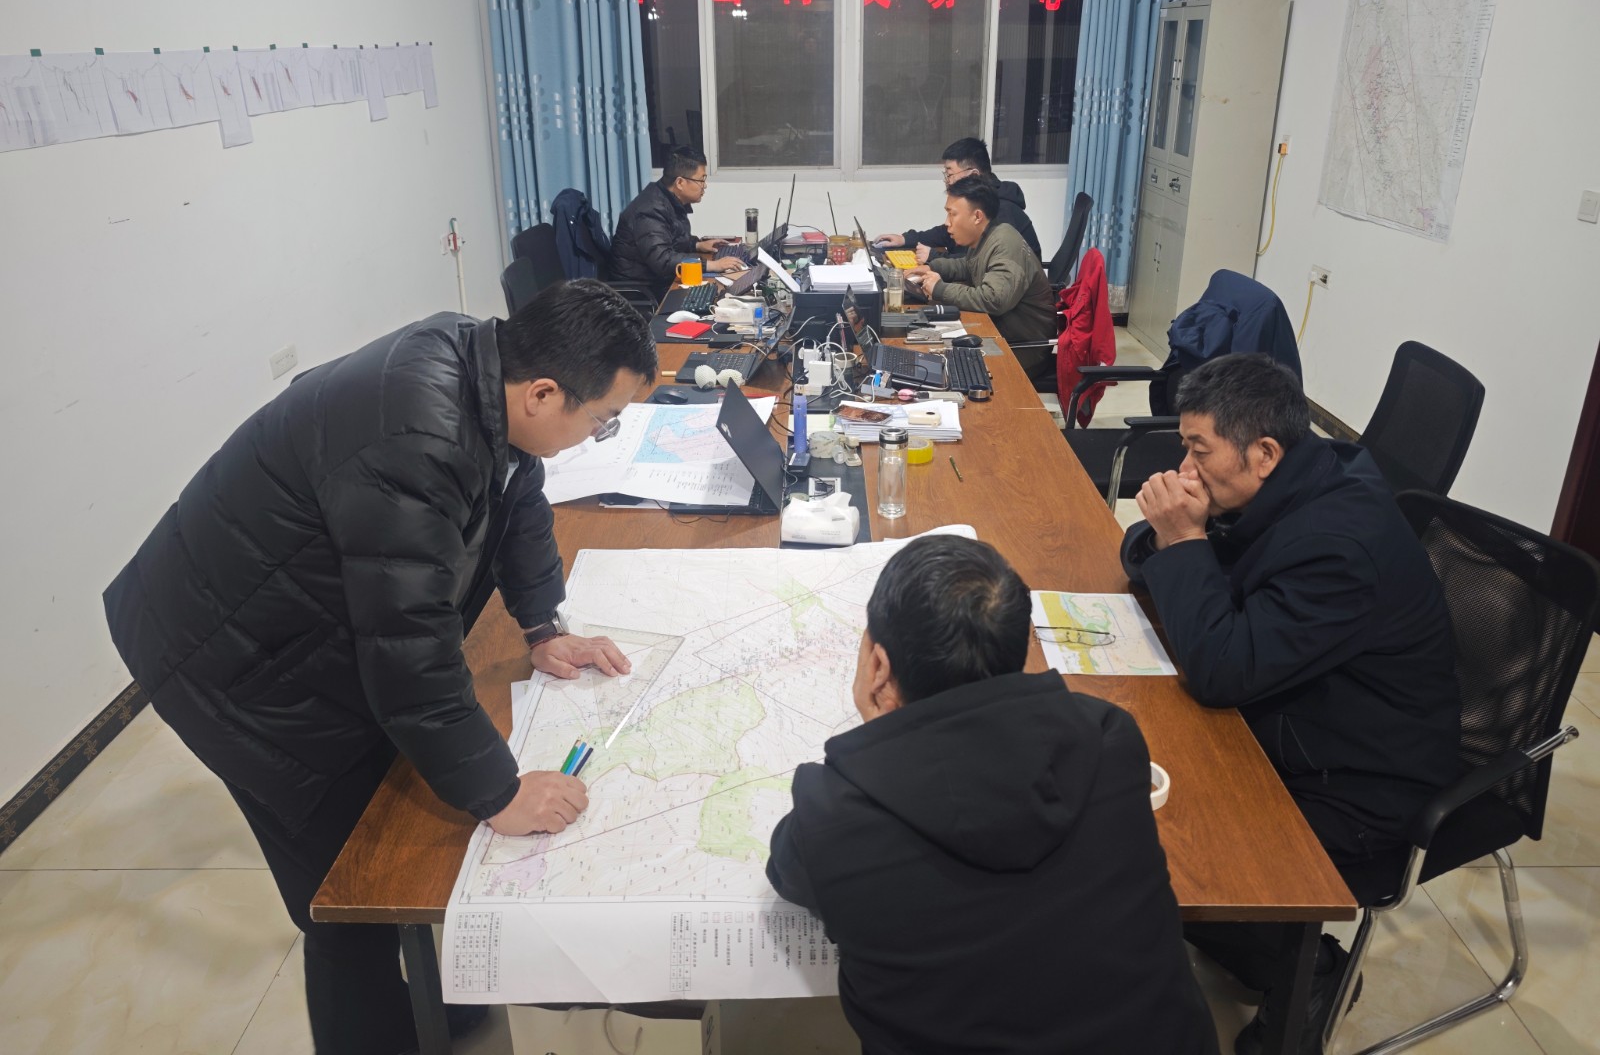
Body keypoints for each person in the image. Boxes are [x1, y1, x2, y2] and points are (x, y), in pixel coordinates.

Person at [103, 281, 657, 1055]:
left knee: (388, 831)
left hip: (297, 613)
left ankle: (425, 1007)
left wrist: (540, 627)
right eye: (601, 420)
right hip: (224, 656)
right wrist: (499, 792)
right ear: (542, 392)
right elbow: (408, 651)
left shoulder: (487, 370)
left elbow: (517, 490)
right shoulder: (418, 439)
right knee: (348, 887)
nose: (597, 435)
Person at [1121, 353, 1460, 1055]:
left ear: (1265, 452)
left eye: (1198, 449)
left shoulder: (1337, 546)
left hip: (1359, 782)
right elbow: (1169, 574)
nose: (1185, 466)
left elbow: (1222, 670)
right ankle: (1267, 949)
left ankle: (1306, 970)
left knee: (1151, 847)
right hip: (1296, 714)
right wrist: (1176, 531)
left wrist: (1182, 539)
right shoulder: (1282, 485)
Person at [767, 534, 1219, 1055]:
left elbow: (787, 872)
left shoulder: (833, 815)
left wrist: (882, 731)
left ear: (879, 669)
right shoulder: (1107, 737)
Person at [902, 177, 1056, 381]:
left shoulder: (1005, 243)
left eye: (952, 214)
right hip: (998, 331)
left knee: (935, 362)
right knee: (928, 349)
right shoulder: (987, 236)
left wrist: (940, 288)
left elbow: (993, 299)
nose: (947, 223)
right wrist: (932, 267)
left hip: (1021, 350)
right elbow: (969, 265)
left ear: (977, 216)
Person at [875, 136, 1042, 259]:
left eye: (950, 174)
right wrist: (905, 239)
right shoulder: (979, 200)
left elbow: (978, 262)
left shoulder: (1000, 211)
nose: (947, 181)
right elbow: (946, 233)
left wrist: (933, 257)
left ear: (974, 175)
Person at [609, 145, 743, 295]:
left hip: (660, 281)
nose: (704, 186)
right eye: (701, 180)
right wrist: (712, 265)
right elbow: (662, 260)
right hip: (644, 290)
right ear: (680, 183)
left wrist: (697, 244)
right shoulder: (650, 209)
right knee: (714, 293)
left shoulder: (668, 199)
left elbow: (673, 239)